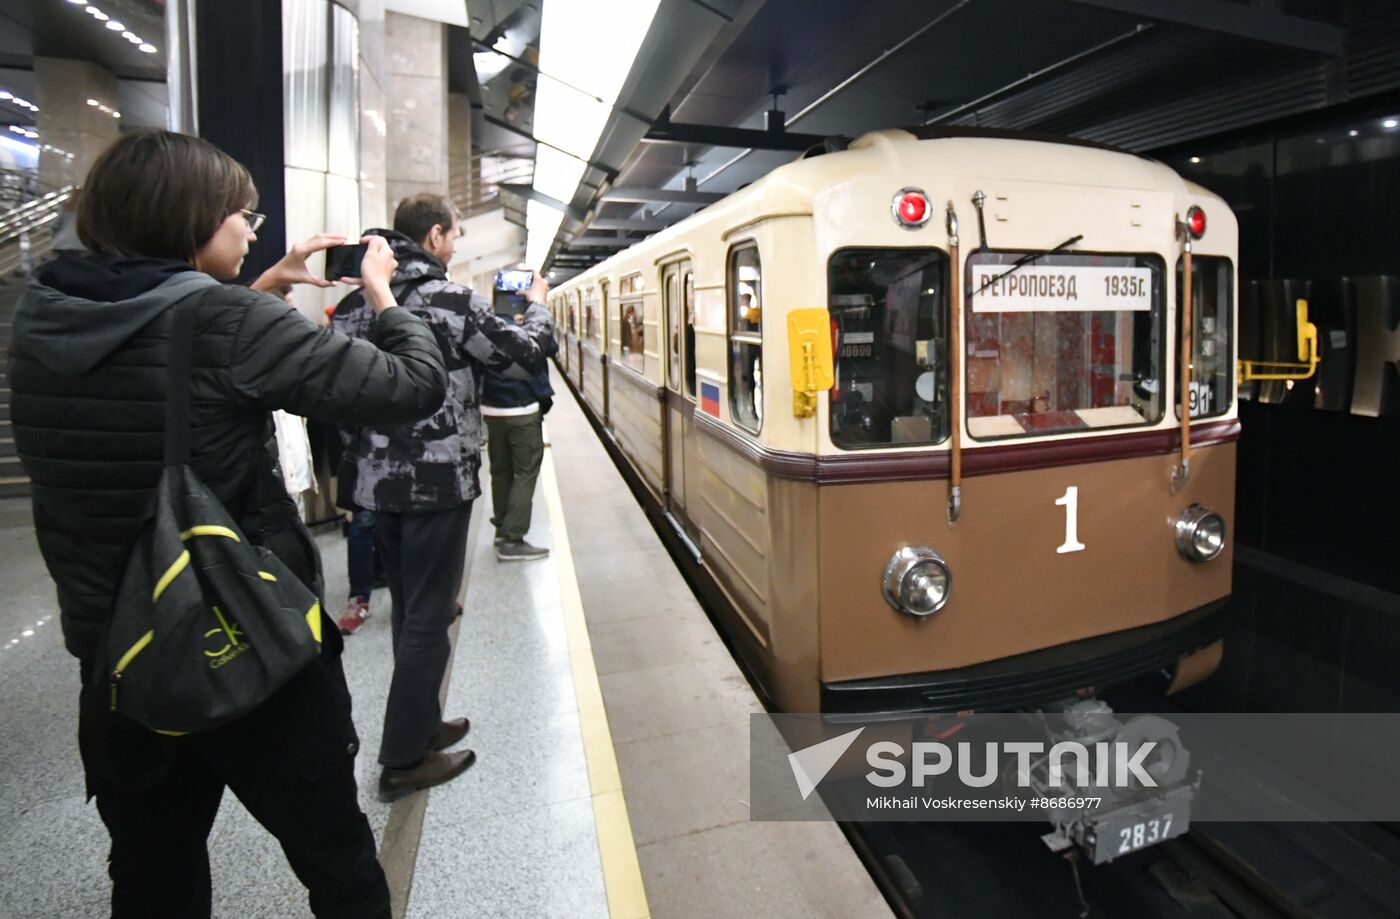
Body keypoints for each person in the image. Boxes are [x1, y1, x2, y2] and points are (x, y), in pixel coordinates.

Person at [7, 129, 447, 919]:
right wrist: (383, 291)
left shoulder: (41, 324)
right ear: (192, 219)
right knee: (338, 862)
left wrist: (257, 297)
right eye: (243, 214)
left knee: (151, 873)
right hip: (249, 646)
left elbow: (161, 358)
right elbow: (412, 386)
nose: (253, 231)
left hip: (121, 652)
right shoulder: (226, 322)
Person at [332, 193, 553, 802]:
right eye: (453, 236)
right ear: (432, 238)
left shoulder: (353, 307)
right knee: (431, 616)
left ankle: (424, 723)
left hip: (379, 486)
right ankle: (403, 759)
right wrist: (536, 308)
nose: (455, 245)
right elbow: (526, 355)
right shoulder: (452, 302)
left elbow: (339, 395)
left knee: (410, 606)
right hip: (436, 484)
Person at [482, 309, 558, 560]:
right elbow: (550, 346)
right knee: (525, 472)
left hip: (492, 410)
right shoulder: (528, 334)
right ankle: (513, 539)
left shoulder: (485, 328)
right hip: (523, 410)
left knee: (500, 470)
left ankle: (501, 531)